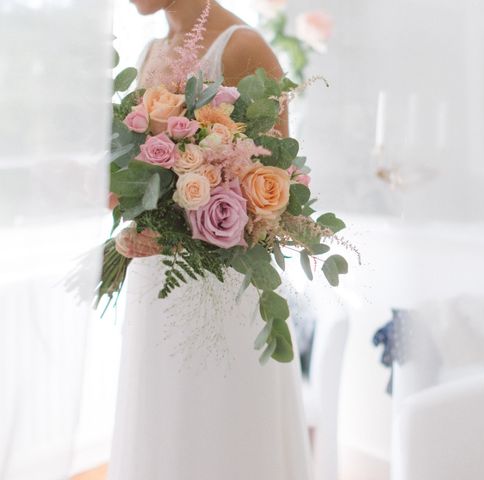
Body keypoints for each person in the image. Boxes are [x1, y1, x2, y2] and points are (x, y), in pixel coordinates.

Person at [108, 1, 311, 478]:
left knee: (223, 435)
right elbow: (139, 175)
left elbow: (281, 193)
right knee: (161, 432)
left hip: (222, 294)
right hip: (156, 287)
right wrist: (127, 206)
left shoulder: (242, 46)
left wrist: (181, 227)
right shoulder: (151, 50)